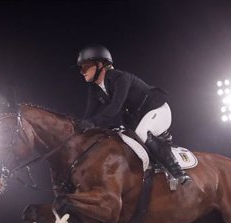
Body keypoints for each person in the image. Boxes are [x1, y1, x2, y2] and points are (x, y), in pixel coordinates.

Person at [76, 44, 190, 186]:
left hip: (158, 110)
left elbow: (115, 107)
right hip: (140, 118)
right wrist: (79, 129)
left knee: (141, 132)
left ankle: (178, 172)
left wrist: (92, 123)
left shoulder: (120, 78)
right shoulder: (94, 89)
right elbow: (89, 113)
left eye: (85, 66)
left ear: (100, 64)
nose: (82, 71)